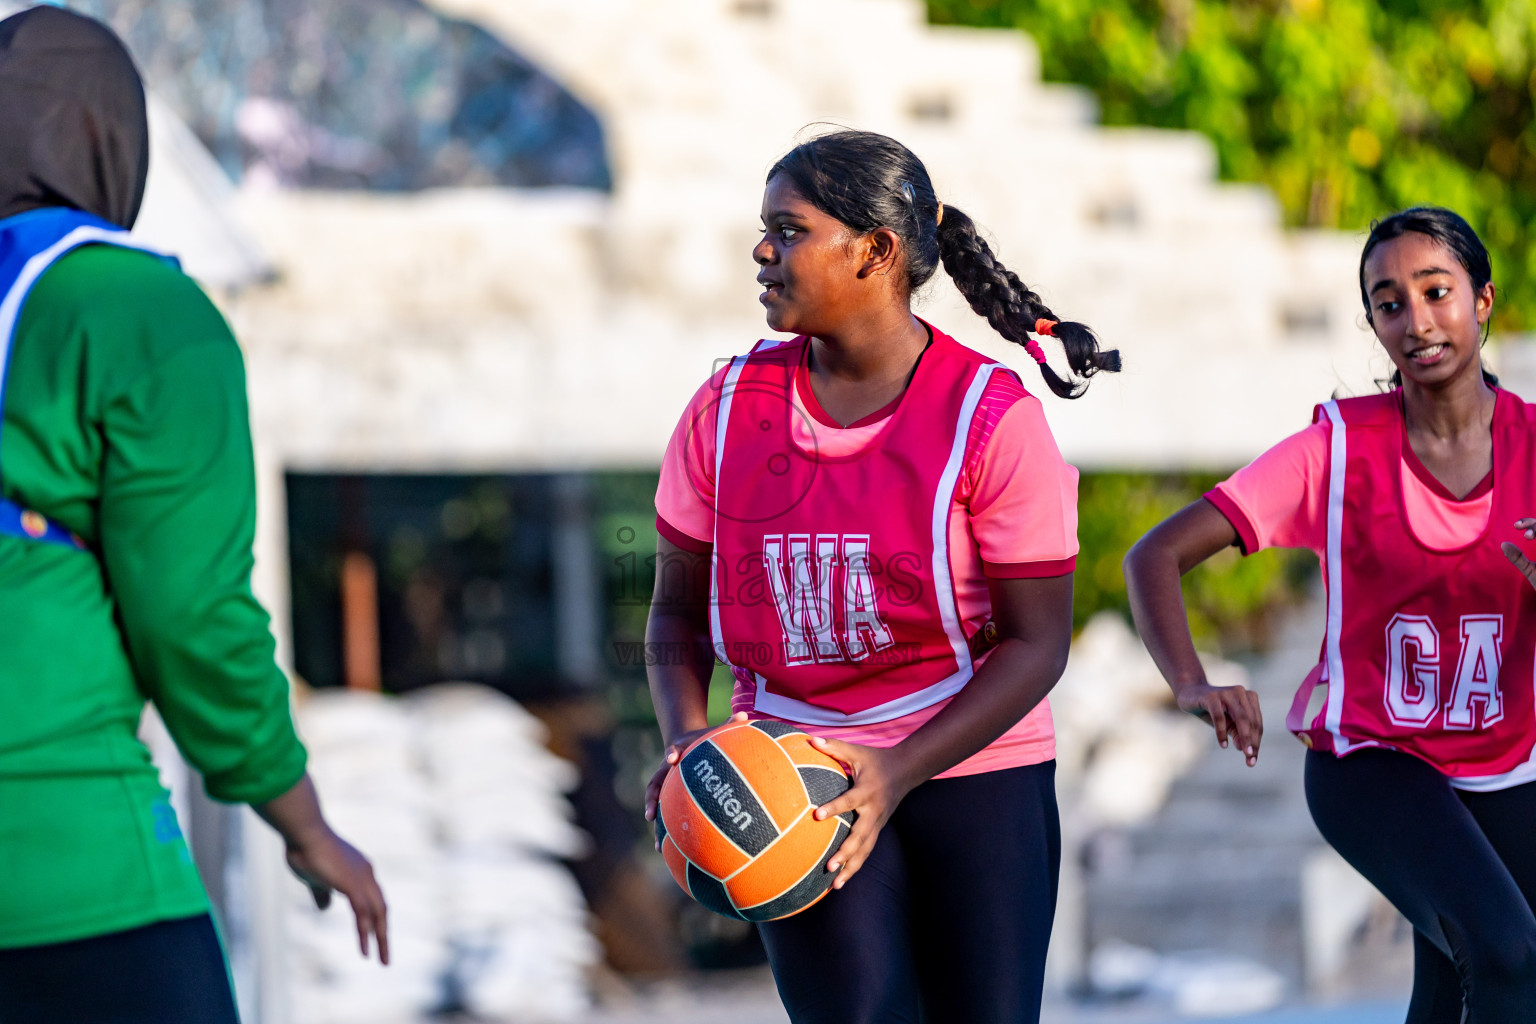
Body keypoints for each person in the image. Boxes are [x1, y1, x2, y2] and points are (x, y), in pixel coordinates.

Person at [642, 129, 1119, 1024]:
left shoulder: (989, 418)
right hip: (794, 771)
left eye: (787, 230)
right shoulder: (725, 409)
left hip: (972, 761)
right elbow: (674, 614)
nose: (761, 250)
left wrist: (897, 770)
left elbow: (1038, 643)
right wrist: (687, 744)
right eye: (764, 229)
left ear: (875, 250)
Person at [0, 9, 387, 1023]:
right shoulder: (137, 313)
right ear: (107, 139)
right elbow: (191, 617)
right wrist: (301, 819)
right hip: (61, 866)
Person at [1124, 206, 1536, 1022]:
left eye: (1436, 292)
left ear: (1483, 300)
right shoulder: (1337, 451)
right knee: (1510, 954)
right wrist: (1190, 683)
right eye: (1390, 302)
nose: (1416, 321)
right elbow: (1155, 555)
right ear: (1373, 321)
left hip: (1505, 762)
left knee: (1464, 979)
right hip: (1373, 760)